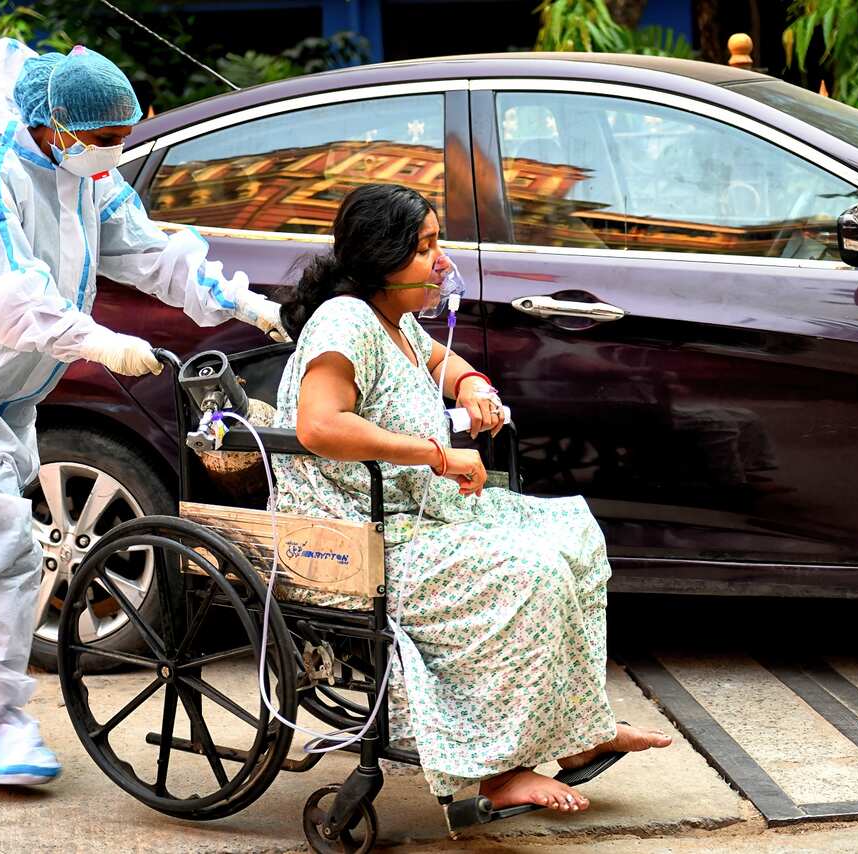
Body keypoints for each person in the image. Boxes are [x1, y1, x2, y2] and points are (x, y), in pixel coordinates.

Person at [0, 38, 287, 786]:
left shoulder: (84, 175)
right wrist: (100, 343)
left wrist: (237, 302)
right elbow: (15, 303)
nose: (112, 153)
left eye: (120, 138)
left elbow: (152, 254)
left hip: (4, 387)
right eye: (100, 141)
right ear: (53, 127)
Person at [272, 183, 671, 811]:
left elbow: (444, 364)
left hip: (419, 515)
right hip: (360, 536)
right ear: (381, 258)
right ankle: (498, 768)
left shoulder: (395, 321)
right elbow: (318, 426)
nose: (442, 261)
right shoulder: (345, 319)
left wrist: (474, 386)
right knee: (528, 573)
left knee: (572, 538)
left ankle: (577, 731)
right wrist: (436, 453)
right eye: (426, 246)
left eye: (437, 243)